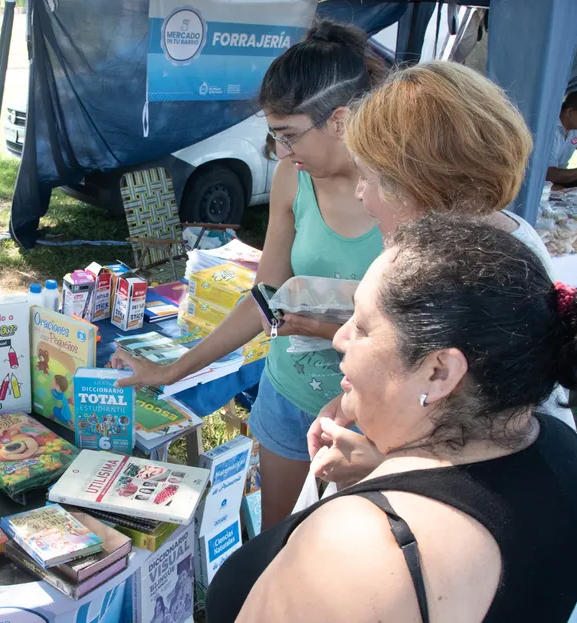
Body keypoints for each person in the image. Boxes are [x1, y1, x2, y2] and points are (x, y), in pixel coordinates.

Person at [205, 216, 577, 623]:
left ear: (440, 371)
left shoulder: (358, 550)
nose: (342, 338)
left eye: (363, 327)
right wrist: (381, 472)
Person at [113, 19, 385, 531]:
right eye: (274, 136)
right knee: (280, 545)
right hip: (289, 396)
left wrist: (326, 329)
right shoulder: (292, 178)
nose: (283, 153)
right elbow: (266, 295)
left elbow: (424, 332)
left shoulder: (403, 193)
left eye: (289, 136)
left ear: (343, 121)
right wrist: (176, 369)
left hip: (374, 412)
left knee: (353, 550)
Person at [311, 61, 577, 489]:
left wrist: (382, 467)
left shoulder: (493, 283)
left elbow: (503, 451)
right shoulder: (486, 244)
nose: (361, 195)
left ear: (422, 187)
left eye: (370, 177)